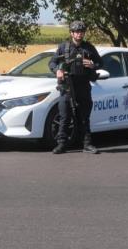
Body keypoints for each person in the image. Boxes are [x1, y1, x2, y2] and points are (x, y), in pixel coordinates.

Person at [48, 21, 102, 155]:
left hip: (83, 85)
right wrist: (57, 71)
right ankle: (61, 144)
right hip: (67, 86)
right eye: (76, 32)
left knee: (84, 117)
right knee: (64, 117)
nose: (79, 34)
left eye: (81, 32)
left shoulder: (89, 48)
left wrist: (92, 64)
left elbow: (100, 62)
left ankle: (87, 144)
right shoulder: (63, 47)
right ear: (71, 33)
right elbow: (52, 62)